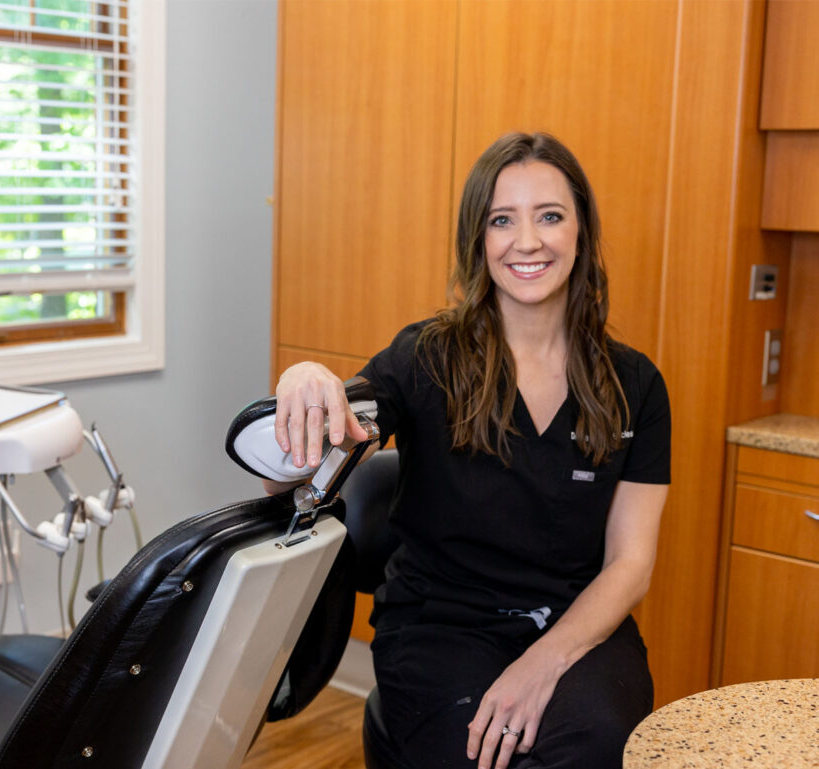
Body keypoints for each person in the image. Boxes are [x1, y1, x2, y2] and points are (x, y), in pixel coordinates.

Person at [267, 132, 671, 769]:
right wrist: (305, 382)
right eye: (502, 220)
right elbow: (306, 471)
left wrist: (542, 664)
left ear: (581, 232)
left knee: (595, 749)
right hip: (440, 627)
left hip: (575, 629)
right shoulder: (424, 359)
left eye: (550, 216)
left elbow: (631, 564)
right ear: (478, 240)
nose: (528, 241)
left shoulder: (635, 384)